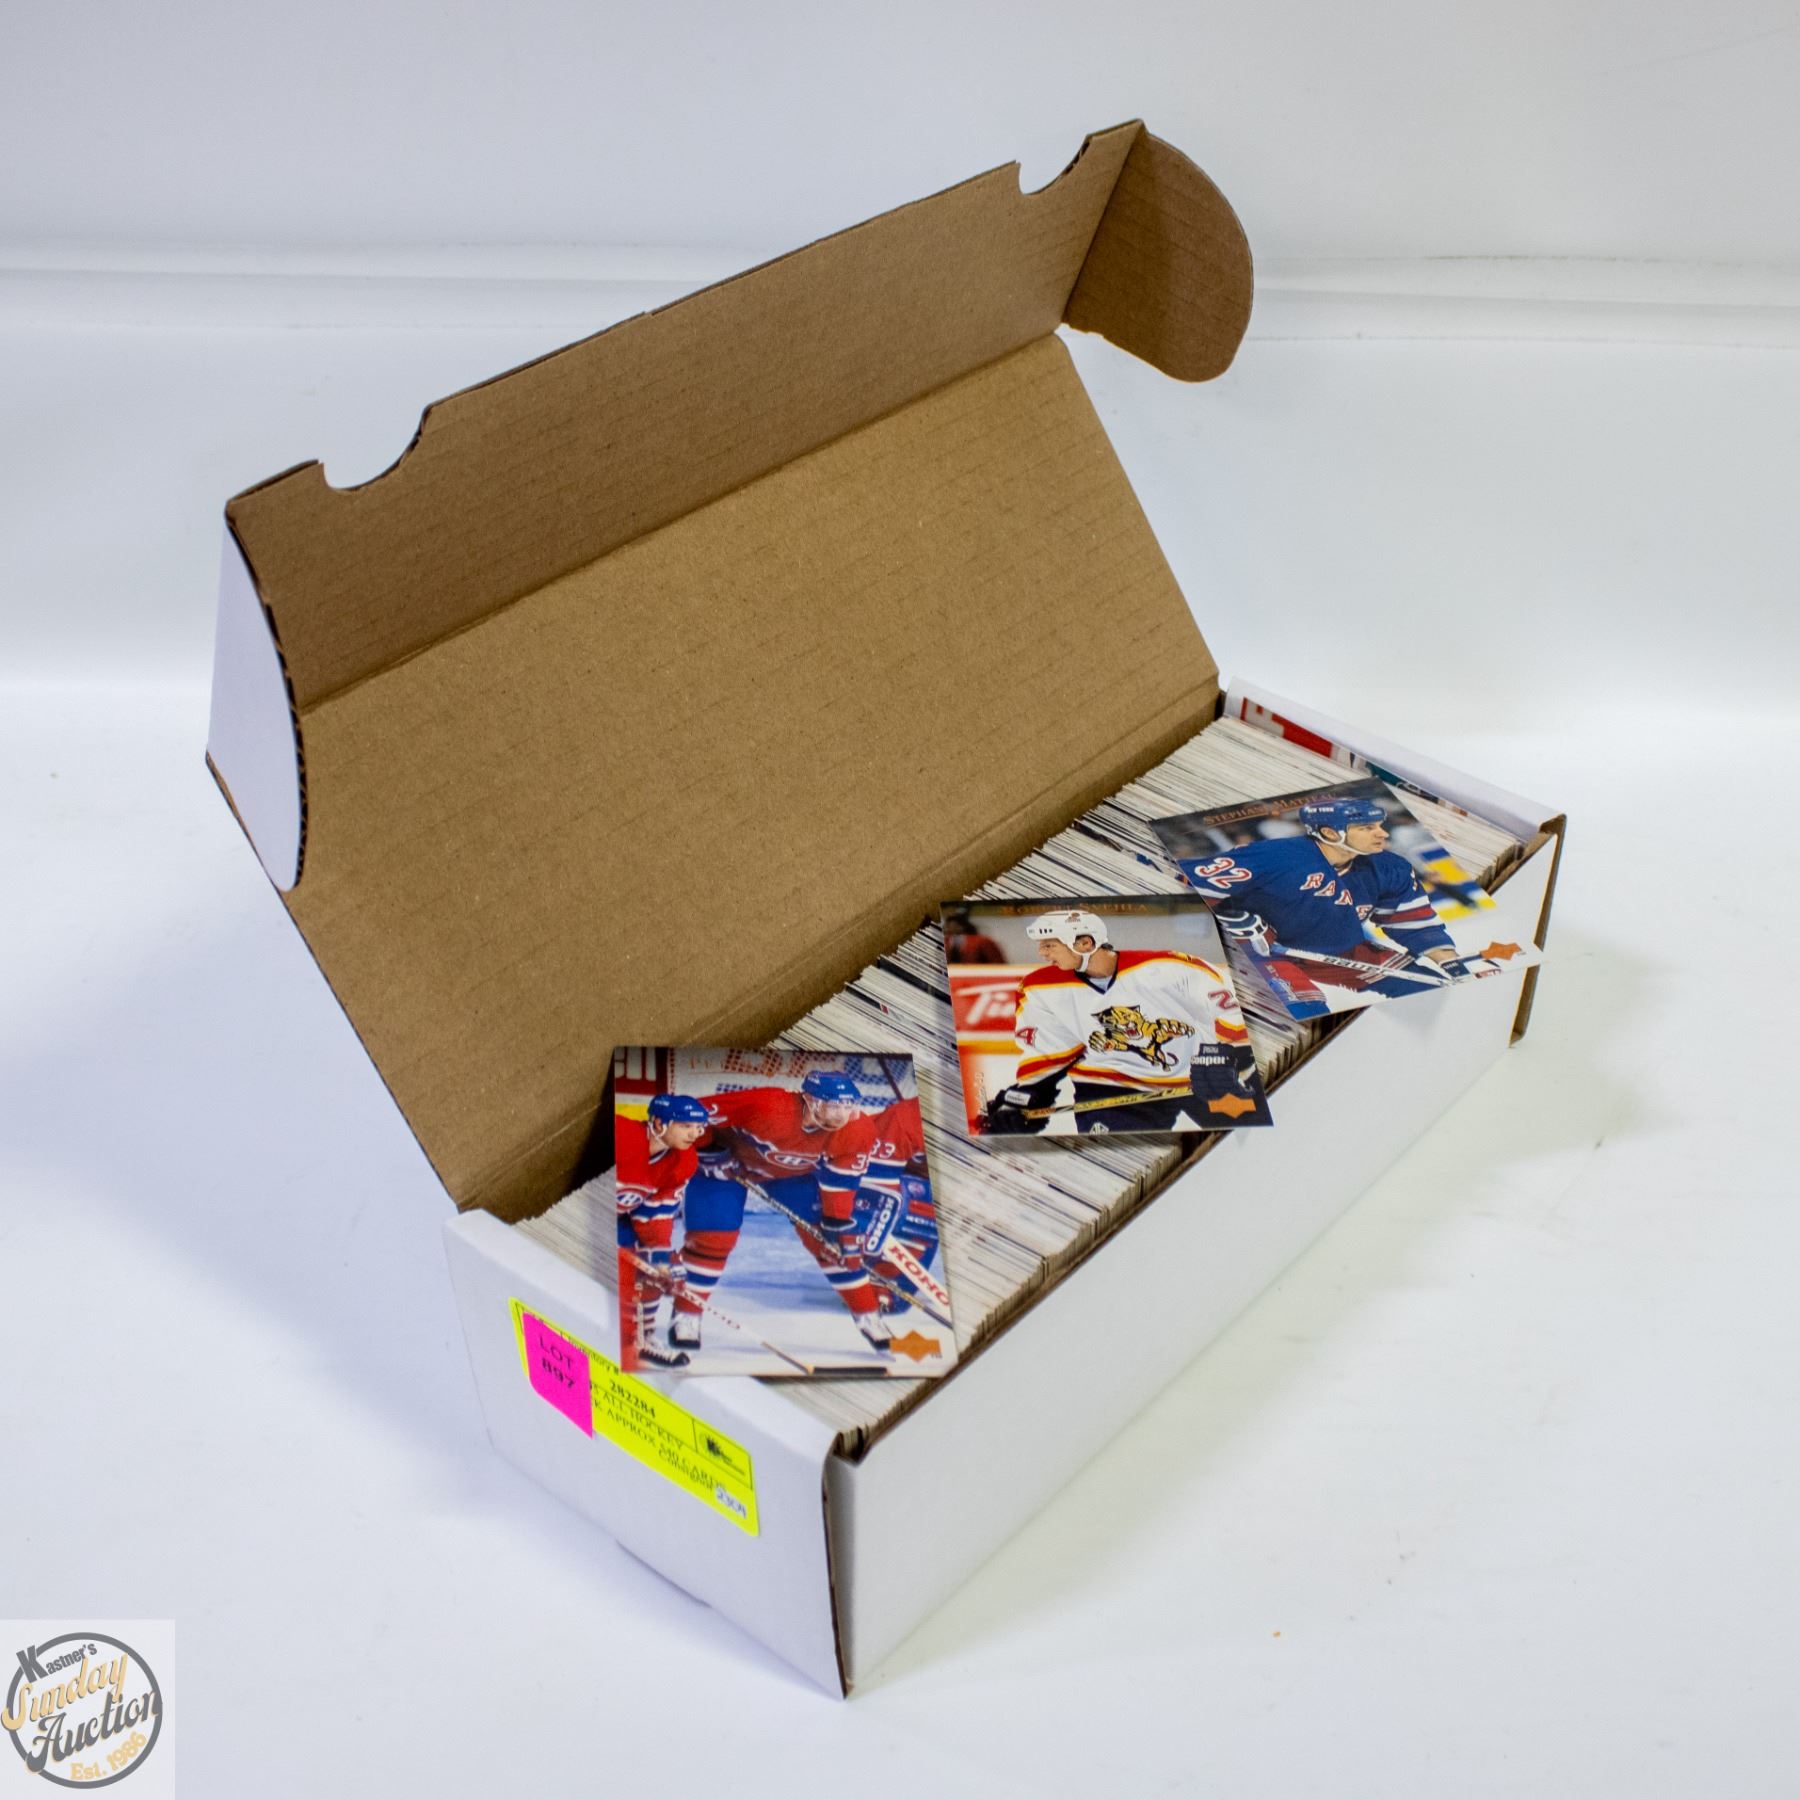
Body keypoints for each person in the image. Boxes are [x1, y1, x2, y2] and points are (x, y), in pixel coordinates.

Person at [1177, 798, 1500, 1016]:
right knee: (1309, 1010)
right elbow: (1184, 881)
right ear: (1331, 833)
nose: (1382, 833)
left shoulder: (1388, 867)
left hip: (1342, 949)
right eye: (1367, 828)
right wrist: (1228, 920)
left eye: (1379, 825)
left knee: (1425, 987)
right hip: (1269, 952)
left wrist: (1451, 963)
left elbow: (1413, 922)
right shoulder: (1275, 856)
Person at [670, 1069, 893, 1354]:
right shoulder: (768, 1105)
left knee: (833, 1245)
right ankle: (686, 1315)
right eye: (834, 1106)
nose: (842, 1116)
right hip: (727, 1167)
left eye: (848, 1107)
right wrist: (709, 1148)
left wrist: (836, 1223)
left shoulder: (857, 1129)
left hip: (789, 1176)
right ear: (810, 1100)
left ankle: (868, 1316)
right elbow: (694, 1113)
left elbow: (841, 1182)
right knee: (712, 1241)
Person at [984, 909, 1263, 1135]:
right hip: (1112, 1085)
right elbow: (1051, 1048)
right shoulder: (1040, 987)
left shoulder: (1168, 968)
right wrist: (1030, 1093)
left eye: (1049, 945)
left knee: (1250, 1144)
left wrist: (1231, 1056)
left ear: (1085, 943)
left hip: (1201, 1079)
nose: (1042, 953)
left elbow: (1229, 1012)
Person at [614, 1092, 710, 1369]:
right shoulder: (622, 1135)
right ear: (658, 1123)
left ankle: (641, 1337)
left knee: (656, 1265)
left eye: (699, 1127)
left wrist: (661, 1259)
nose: (694, 1134)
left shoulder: (684, 1160)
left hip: (624, 1218)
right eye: (685, 1125)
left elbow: (655, 1217)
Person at [943, 906, 1007, 964]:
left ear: (961, 927)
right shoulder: (946, 942)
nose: (946, 928)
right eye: (947, 926)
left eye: (950, 925)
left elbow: (999, 963)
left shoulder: (982, 942)